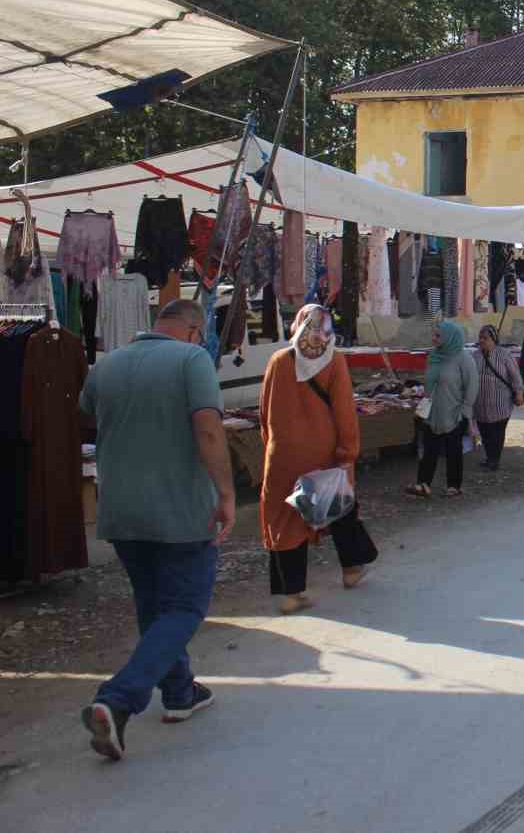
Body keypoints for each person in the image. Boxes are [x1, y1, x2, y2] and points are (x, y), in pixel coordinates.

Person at [77, 299, 234, 761]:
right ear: (192, 329)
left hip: (122, 510)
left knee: (154, 606)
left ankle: (181, 692)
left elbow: (89, 416)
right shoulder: (192, 359)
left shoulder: (107, 364)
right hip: (181, 509)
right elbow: (208, 428)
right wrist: (226, 493)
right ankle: (118, 700)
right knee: (185, 606)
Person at [258, 305, 379, 615]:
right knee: (337, 507)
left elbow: (264, 412)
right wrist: (347, 454)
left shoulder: (278, 360)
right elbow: (344, 414)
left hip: (283, 453)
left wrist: (272, 446)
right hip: (323, 453)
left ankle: (291, 593)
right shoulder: (334, 361)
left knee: (284, 518)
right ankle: (352, 570)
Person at [408, 321, 480, 498]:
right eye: (434, 335)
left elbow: (472, 386)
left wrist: (466, 411)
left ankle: (453, 485)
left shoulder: (464, 359)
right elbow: (430, 383)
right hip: (432, 411)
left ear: (450, 337)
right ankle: (423, 484)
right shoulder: (434, 356)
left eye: (438, 336)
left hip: (454, 411)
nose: (433, 338)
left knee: (453, 451)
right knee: (429, 449)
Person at [474, 325, 524, 470]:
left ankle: (494, 460)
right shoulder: (475, 355)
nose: (482, 341)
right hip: (480, 404)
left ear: (494, 339)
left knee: (497, 432)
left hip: (500, 403)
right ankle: (489, 456)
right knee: (484, 432)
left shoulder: (504, 355)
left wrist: (519, 393)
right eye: (480, 338)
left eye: (485, 338)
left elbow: (515, 376)